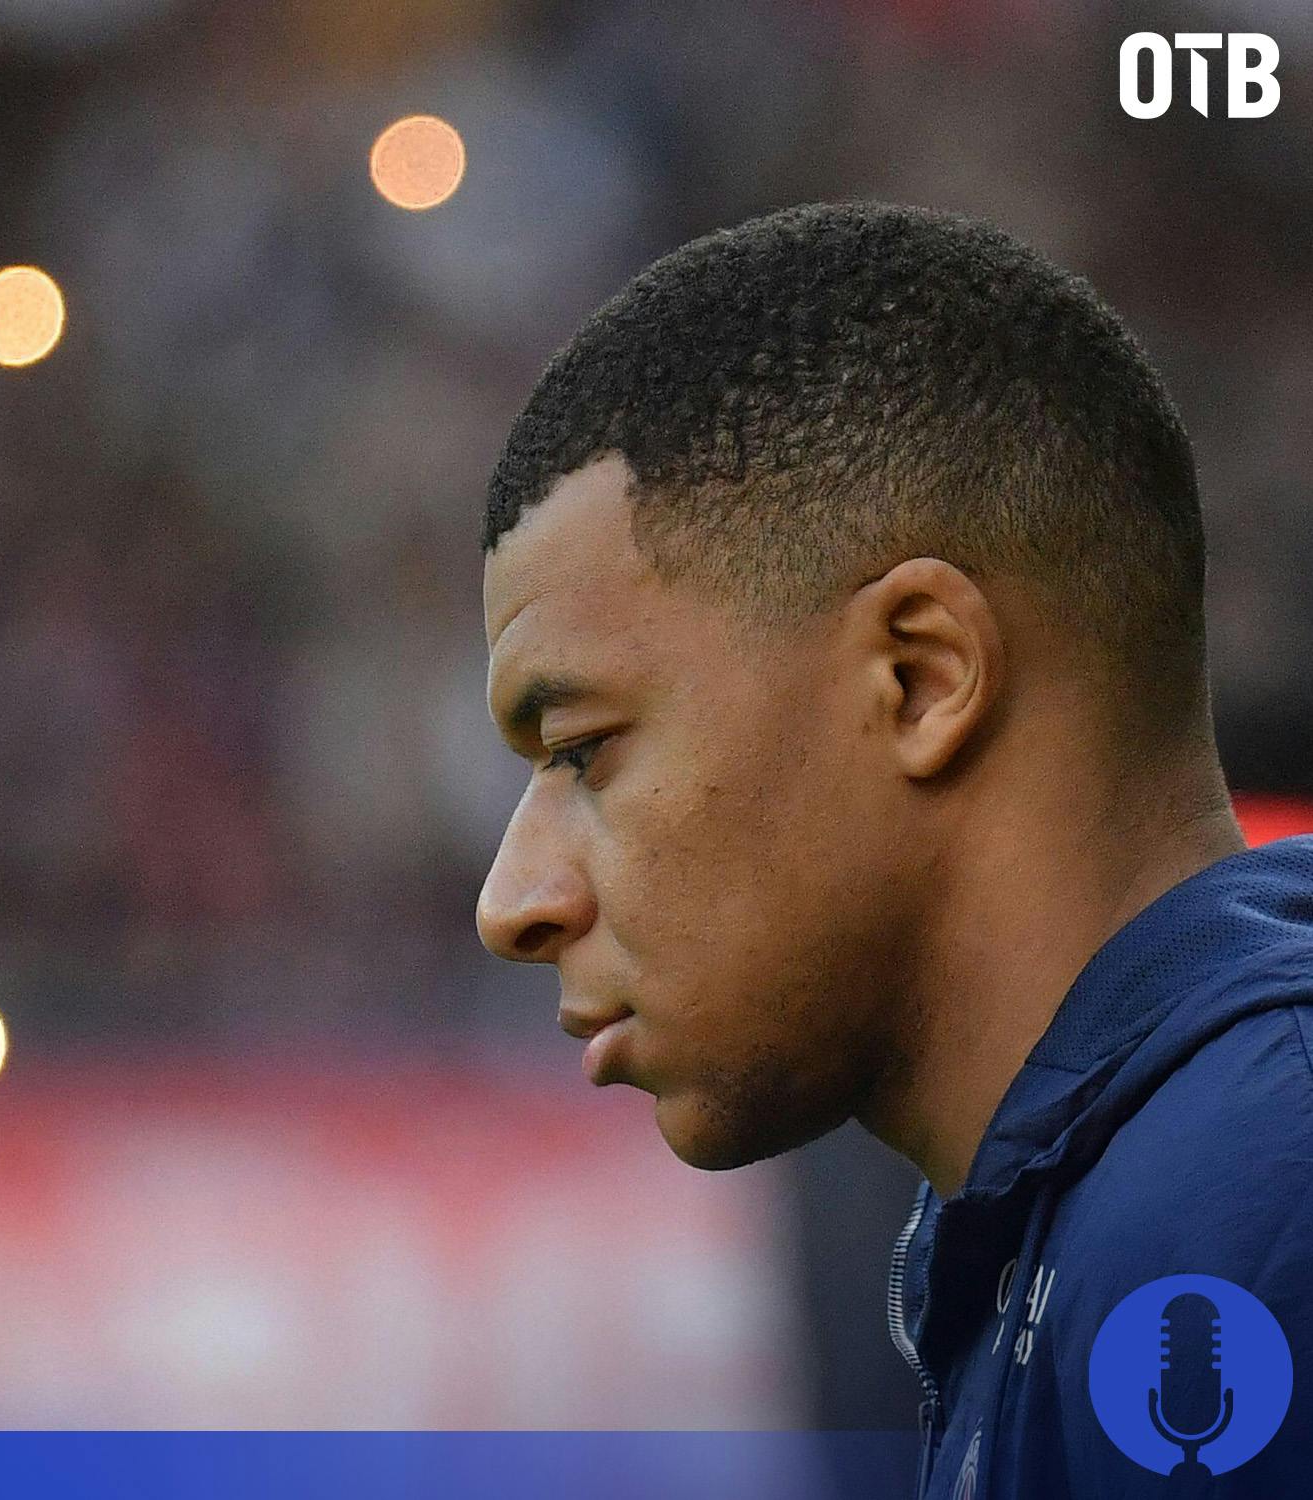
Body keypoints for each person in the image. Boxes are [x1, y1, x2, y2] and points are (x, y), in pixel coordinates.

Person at [473, 203, 1313, 1497]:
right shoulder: (1093, 1201)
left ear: (920, 678)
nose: (512, 902)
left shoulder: (1249, 1197)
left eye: (585, 751)